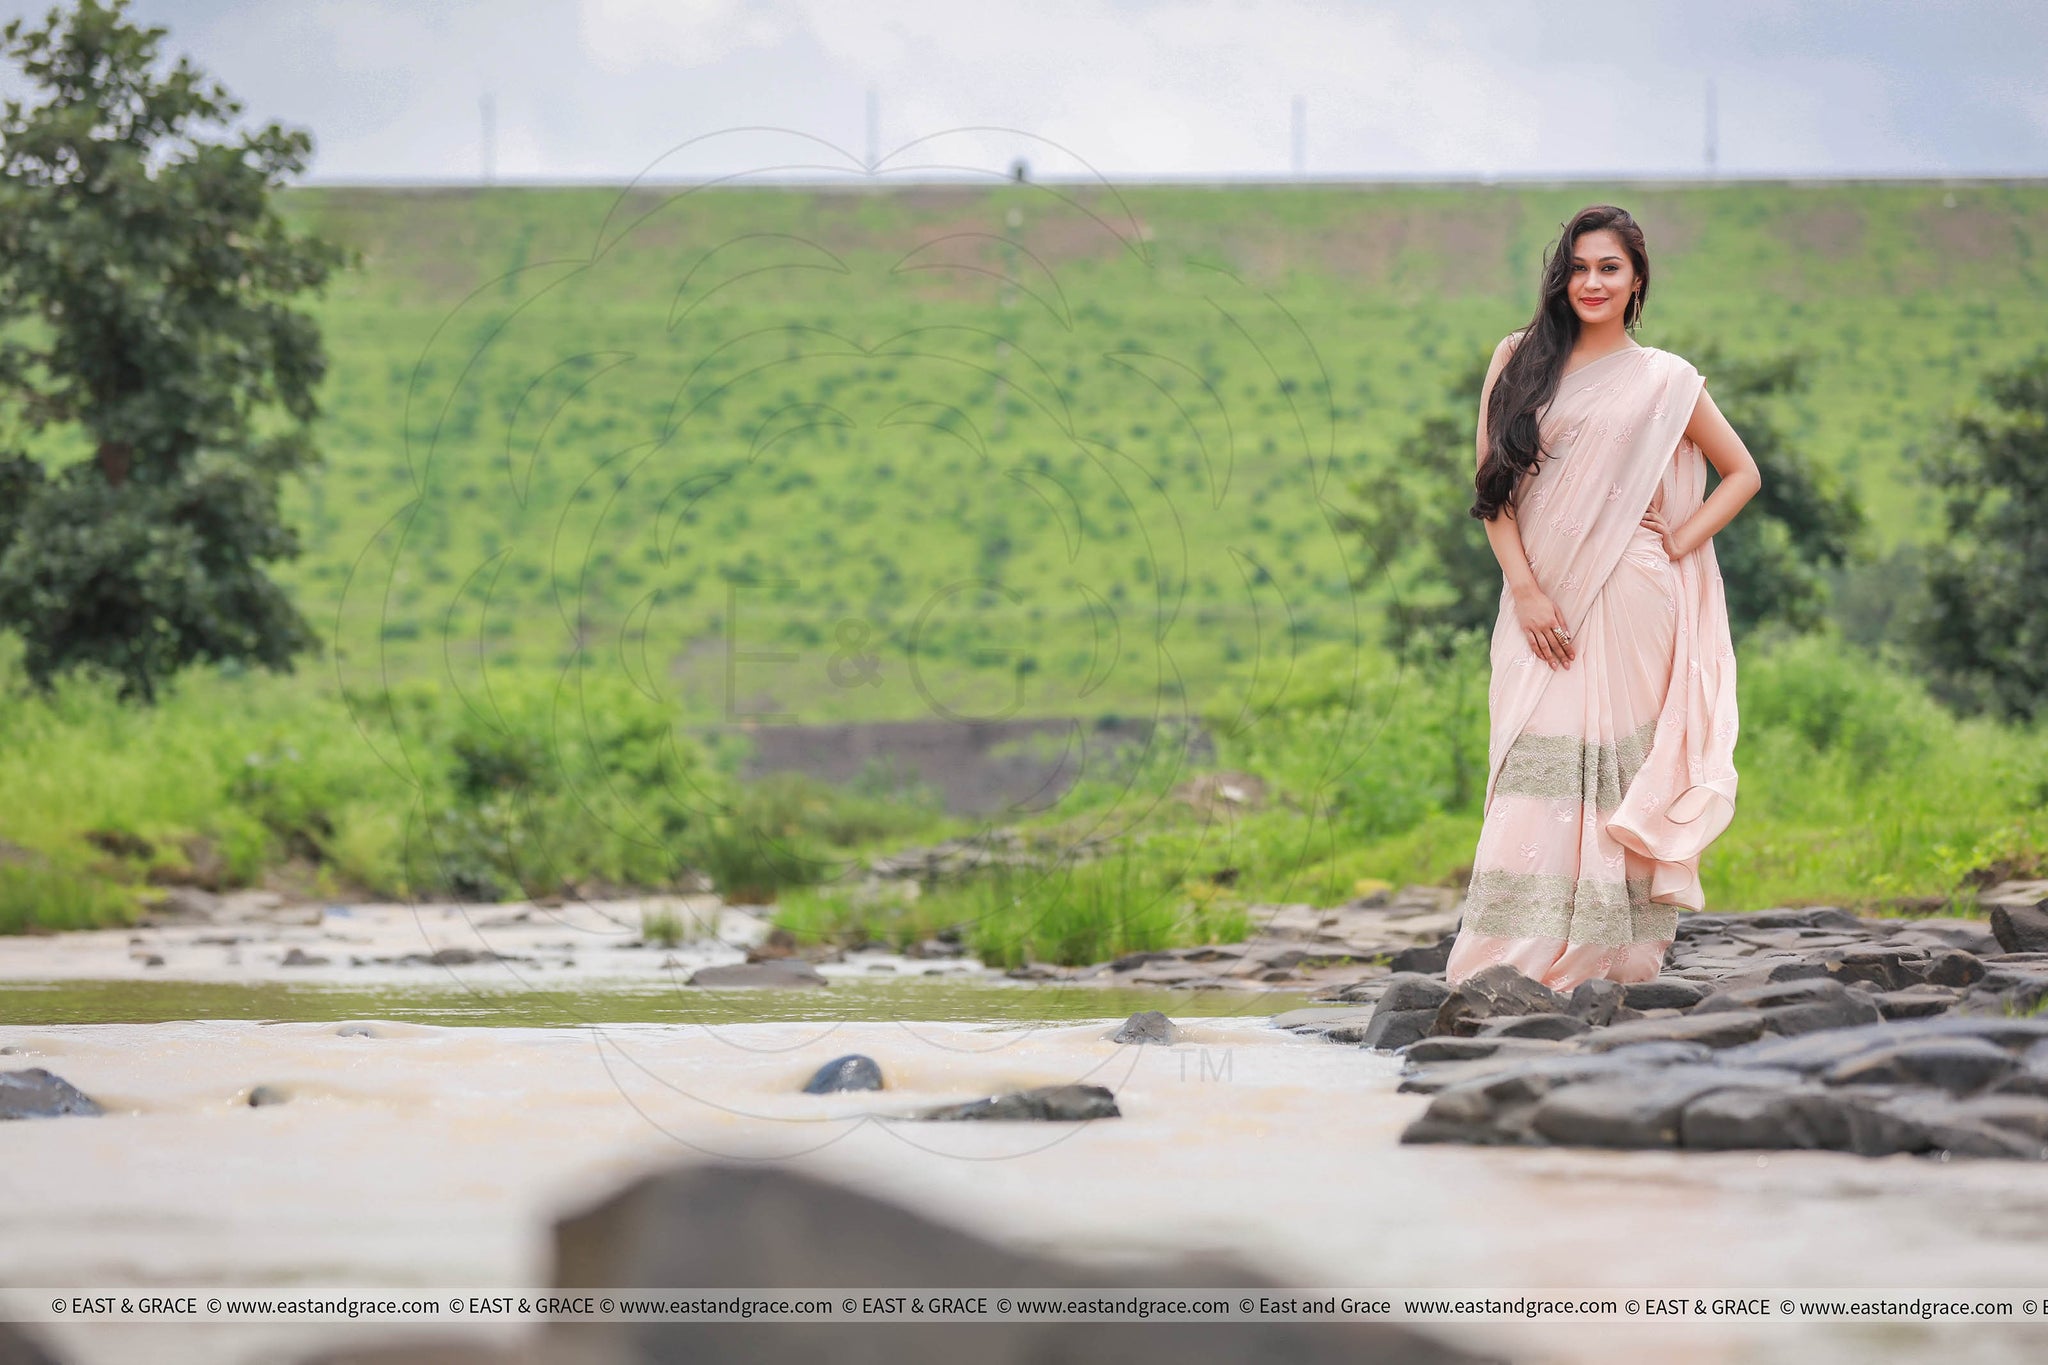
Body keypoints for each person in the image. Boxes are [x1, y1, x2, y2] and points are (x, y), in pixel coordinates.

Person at [1442, 204, 1762, 994]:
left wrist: (1679, 539)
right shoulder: (1516, 360)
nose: (1592, 282)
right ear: (1561, 277)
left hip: (1634, 598)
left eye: (1609, 268)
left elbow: (1743, 473)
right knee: (1534, 760)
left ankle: (1612, 959)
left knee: (1614, 773)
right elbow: (1494, 494)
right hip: (1537, 600)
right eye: (1579, 267)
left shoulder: (1665, 380)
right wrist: (1525, 590)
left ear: (1636, 280)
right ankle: (1503, 957)